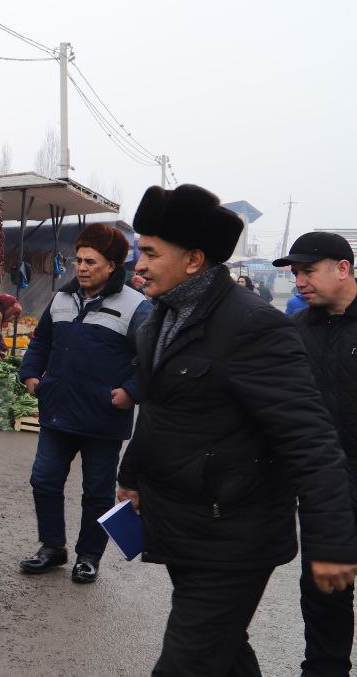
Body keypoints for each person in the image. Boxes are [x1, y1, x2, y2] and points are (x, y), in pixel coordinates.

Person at [117, 184, 357, 676]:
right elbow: (161, 410)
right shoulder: (158, 319)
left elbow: (309, 439)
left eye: (149, 253)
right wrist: (132, 476)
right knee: (224, 652)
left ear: (192, 260)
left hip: (234, 535)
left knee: (185, 663)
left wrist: (333, 541)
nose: (137, 264)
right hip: (183, 526)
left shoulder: (254, 326)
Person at [17, 223, 151, 583]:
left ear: (111, 265)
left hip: (103, 419)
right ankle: (52, 547)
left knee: (96, 493)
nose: (82, 267)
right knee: (43, 481)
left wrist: (131, 391)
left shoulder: (137, 306)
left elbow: (152, 360)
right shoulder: (61, 299)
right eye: (78, 259)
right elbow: (41, 342)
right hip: (57, 411)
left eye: (91, 261)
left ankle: (88, 556)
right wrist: (31, 375)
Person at [274, 231, 357, 676]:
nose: (299, 281)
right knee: (325, 592)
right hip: (324, 486)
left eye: (308, 271)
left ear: (342, 268)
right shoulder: (295, 333)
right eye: (295, 273)